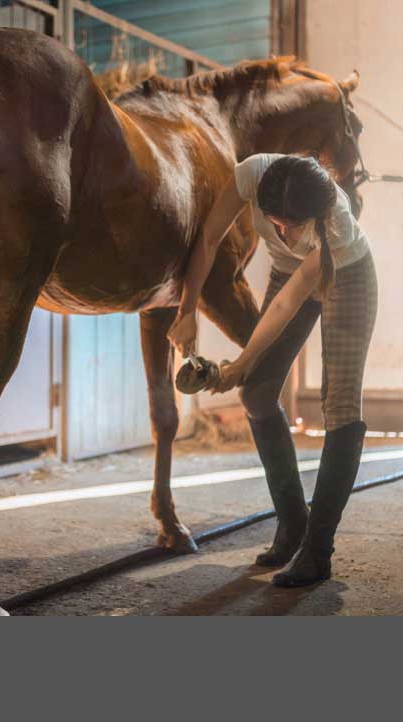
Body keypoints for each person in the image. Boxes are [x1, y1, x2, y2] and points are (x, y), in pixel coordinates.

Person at [167, 153, 378, 587]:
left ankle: (317, 551)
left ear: (315, 214)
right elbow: (208, 239)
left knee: (338, 404)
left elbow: (292, 300)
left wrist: (242, 362)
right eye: (273, 223)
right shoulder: (251, 174)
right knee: (257, 395)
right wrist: (186, 309)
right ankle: (292, 522)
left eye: (292, 226)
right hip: (288, 274)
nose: (281, 234)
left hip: (348, 275)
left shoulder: (334, 221)